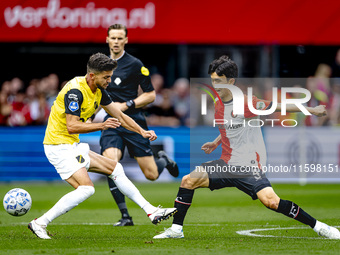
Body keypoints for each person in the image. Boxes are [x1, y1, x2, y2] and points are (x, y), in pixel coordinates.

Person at [153, 55, 340, 239]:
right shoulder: (219, 103)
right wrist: (216, 142)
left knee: (272, 202)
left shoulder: (247, 103)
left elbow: (280, 106)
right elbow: (230, 126)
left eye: (219, 81)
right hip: (225, 164)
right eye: (212, 81)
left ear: (231, 81)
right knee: (188, 180)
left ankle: (320, 227)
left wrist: (312, 110)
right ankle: (176, 230)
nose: (215, 85)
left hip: (248, 166)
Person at [27, 53, 177, 239]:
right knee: (87, 189)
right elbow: (72, 126)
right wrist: (101, 125)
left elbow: (120, 116)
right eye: (106, 77)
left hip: (71, 145)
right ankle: (39, 223)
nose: (110, 80)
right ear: (92, 76)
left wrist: (142, 132)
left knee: (115, 168)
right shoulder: (75, 91)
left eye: (110, 76)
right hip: (58, 146)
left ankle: (151, 211)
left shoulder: (99, 91)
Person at [96, 24, 179, 227]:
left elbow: (151, 94)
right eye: (112, 38)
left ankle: (163, 161)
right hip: (112, 123)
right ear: (107, 39)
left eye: (119, 38)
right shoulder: (98, 64)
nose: (116, 41)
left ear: (126, 40)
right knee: (110, 165)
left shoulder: (135, 64)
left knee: (150, 174)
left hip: (134, 122)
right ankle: (125, 216)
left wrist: (126, 104)